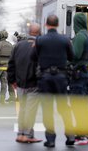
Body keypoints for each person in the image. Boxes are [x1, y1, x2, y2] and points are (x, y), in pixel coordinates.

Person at [31, 15, 75, 148]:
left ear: (46, 24)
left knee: (47, 109)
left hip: (45, 77)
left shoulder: (40, 40)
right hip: (61, 77)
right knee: (63, 107)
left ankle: (50, 139)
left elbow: (33, 57)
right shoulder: (65, 40)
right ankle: (70, 134)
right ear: (57, 25)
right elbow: (72, 57)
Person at [7, 23, 42, 143]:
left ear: (29, 32)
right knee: (30, 110)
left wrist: (12, 80)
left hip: (20, 83)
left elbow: (11, 64)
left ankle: (21, 134)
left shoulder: (18, 46)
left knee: (22, 109)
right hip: (34, 83)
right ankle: (27, 135)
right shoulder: (39, 46)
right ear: (39, 32)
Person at [69, 13, 88, 145]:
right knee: (85, 105)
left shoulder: (79, 36)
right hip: (86, 72)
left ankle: (80, 135)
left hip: (78, 74)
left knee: (77, 105)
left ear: (76, 23)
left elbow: (75, 55)